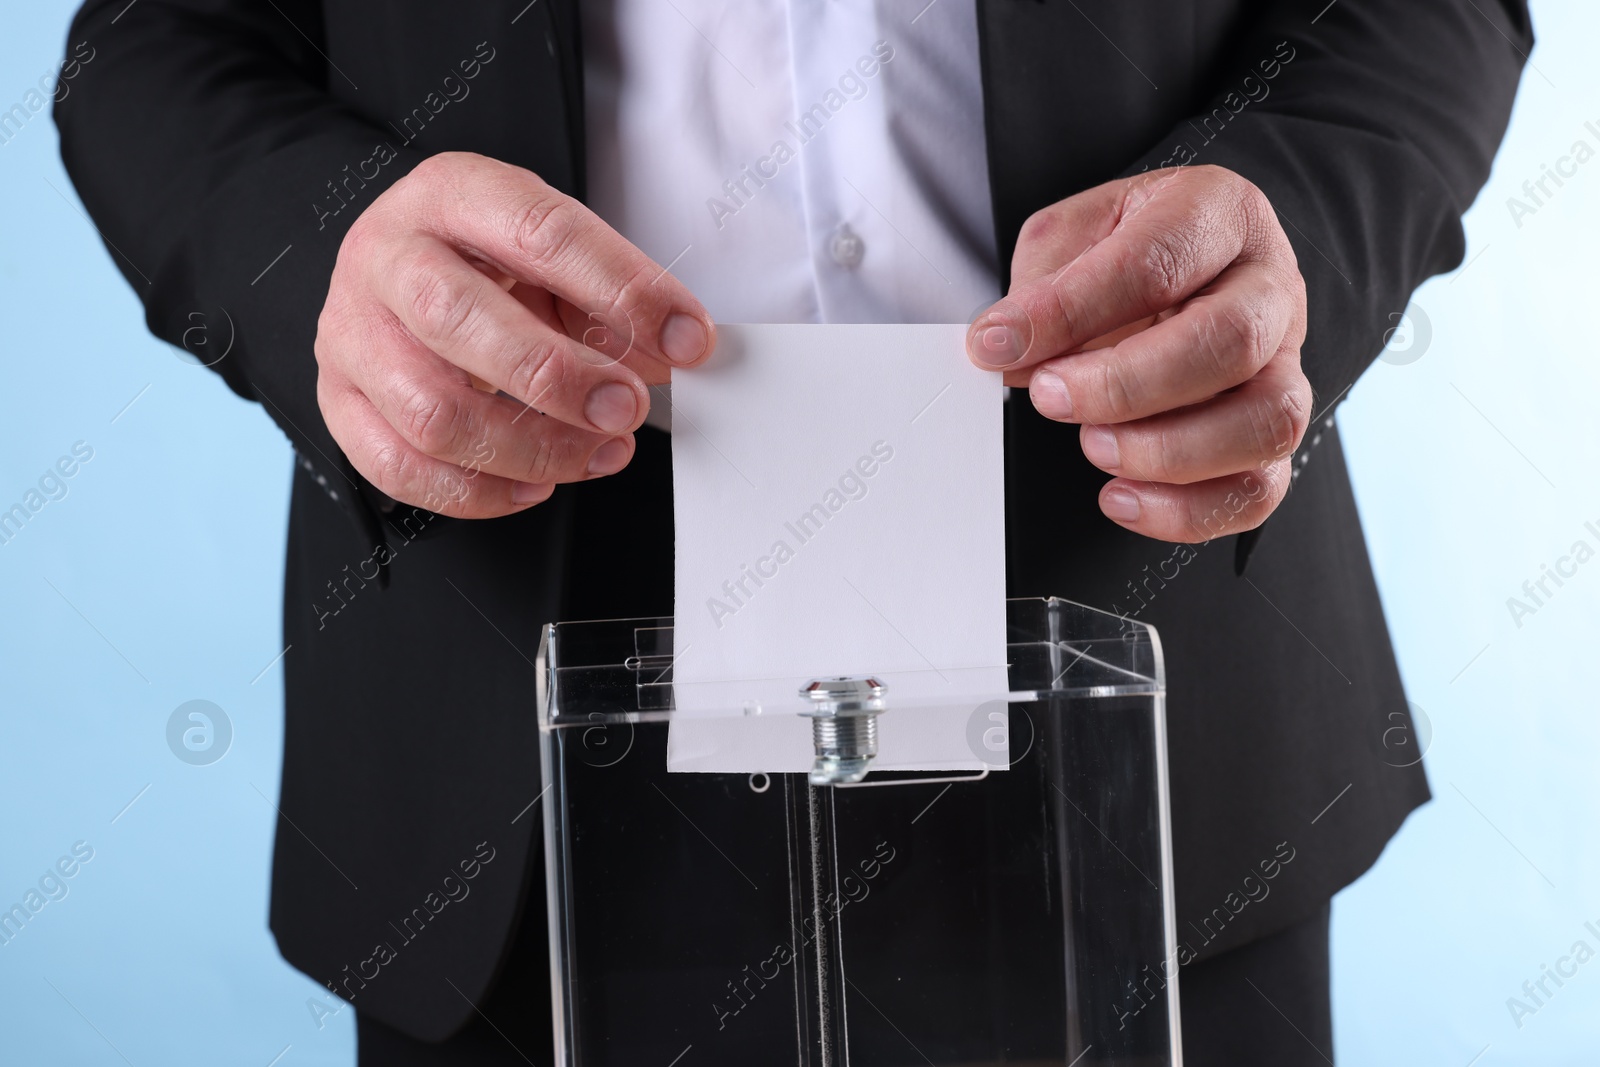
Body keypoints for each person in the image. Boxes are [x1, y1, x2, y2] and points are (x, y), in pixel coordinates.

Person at [54, 0, 1529, 1062]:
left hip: (1140, 696)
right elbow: (148, 44)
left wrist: (1290, 239)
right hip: (512, 742)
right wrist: (330, 259)